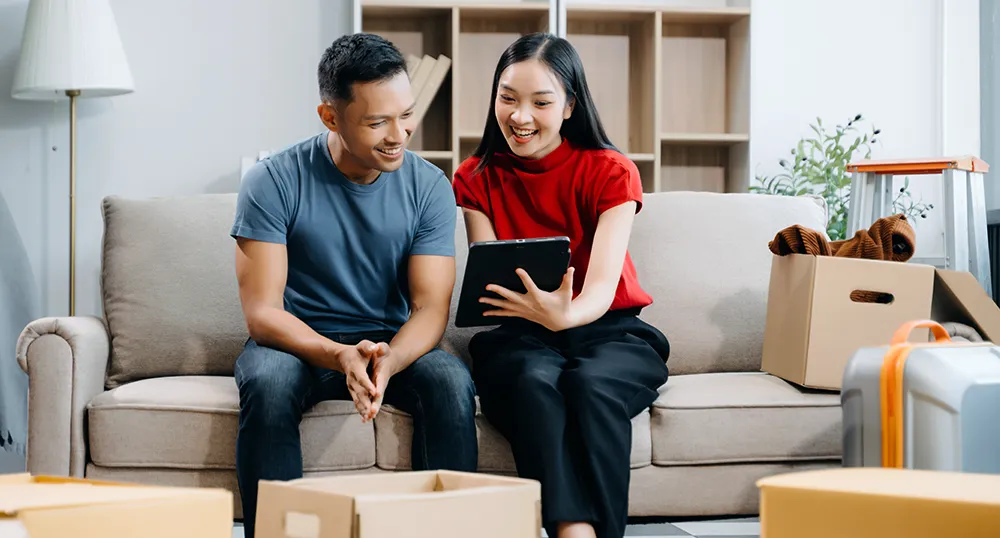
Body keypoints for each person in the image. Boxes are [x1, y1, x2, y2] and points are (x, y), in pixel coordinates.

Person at [231, 33, 477, 538]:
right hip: (298, 342)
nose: (399, 134)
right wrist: (338, 354)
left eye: (406, 115)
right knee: (268, 383)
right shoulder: (273, 181)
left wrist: (391, 360)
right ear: (330, 117)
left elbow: (431, 309)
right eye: (377, 122)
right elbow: (263, 313)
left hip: (390, 340)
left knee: (451, 382)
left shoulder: (430, 187)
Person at [451, 33, 671, 538]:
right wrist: (539, 315)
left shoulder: (612, 171)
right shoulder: (475, 177)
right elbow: (492, 277)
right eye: (508, 98)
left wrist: (565, 315)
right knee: (534, 381)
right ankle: (573, 531)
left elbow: (602, 286)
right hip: (521, 333)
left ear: (570, 106)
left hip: (610, 329)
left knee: (590, 384)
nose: (520, 116)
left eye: (541, 102)